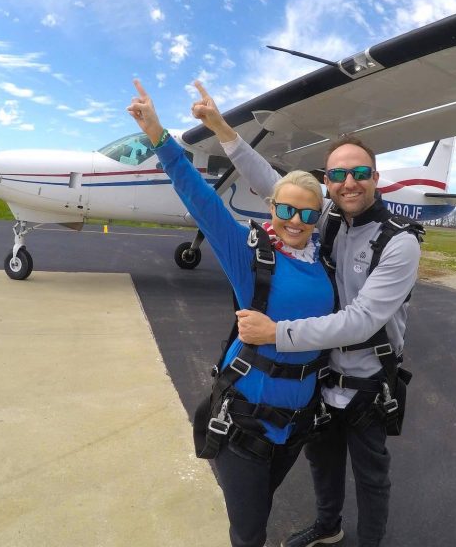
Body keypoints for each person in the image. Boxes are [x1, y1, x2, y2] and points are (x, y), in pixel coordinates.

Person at [190, 81, 422, 547]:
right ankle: (328, 526)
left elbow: (361, 320)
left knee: (371, 472)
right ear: (329, 182)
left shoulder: (400, 241)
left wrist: (278, 332)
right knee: (322, 460)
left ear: (376, 177)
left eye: (360, 172)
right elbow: (273, 185)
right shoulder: (328, 217)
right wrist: (222, 129)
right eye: (338, 176)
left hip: (367, 377)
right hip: (321, 374)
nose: (348, 183)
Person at [126, 80, 335, 547]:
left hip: (296, 424)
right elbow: (201, 200)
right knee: (250, 531)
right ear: (271, 207)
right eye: (286, 209)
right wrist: (159, 135)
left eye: (307, 214)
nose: (296, 221)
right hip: (244, 422)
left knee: (261, 507)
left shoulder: (323, 257)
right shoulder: (250, 251)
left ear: (318, 219)